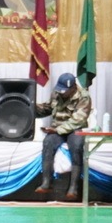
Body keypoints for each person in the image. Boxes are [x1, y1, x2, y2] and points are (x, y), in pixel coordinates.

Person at [34, 72, 92, 201]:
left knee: (77, 146)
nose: (61, 93)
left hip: (74, 128)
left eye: (64, 91)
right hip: (57, 128)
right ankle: (47, 182)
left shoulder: (83, 97)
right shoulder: (57, 93)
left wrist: (57, 130)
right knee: (48, 143)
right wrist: (32, 107)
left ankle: (73, 187)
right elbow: (48, 108)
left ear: (73, 88)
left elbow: (78, 120)